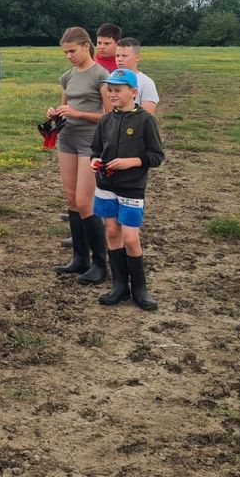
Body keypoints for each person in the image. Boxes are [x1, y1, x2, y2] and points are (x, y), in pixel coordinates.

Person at [89, 68, 165, 311]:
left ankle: (140, 288)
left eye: (117, 90)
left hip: (131, 187)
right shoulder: (105, 120)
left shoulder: (145, 120)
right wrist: (95, 161)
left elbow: (156, 156)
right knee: (112, 232)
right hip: (105, 186)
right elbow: (96, 149)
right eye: (109, 90)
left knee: (130, 238)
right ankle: (119, 286)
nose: (112, 94)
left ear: (133, 92)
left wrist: (131, 162)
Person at [49, 27, 110, 285]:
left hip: (90, 142)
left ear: (86, 47)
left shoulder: (101, 75)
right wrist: (56, 113)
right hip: (67, 139)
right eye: (65, 52)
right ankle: (80, 258)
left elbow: (109, 115)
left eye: (72, 51)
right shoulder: (68, 76)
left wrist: (78, 114)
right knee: (72, 198)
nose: (69, 56)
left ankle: (100, 262)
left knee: (86, 202)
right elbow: (66, 106)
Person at [114, 37, 160, 114]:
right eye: (117, 56)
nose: (120, 59)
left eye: (124, 56)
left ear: (137, 57)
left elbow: (147, 116)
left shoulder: (146, 83)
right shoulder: (111, 79)